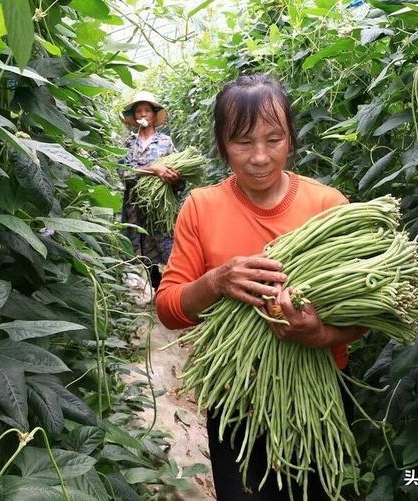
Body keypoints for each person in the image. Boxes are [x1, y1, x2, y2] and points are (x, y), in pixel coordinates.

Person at [155, 74, 366, 500]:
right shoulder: (201, 206)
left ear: (291, 138)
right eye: (242, 142)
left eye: (274, 139)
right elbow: (169, 309)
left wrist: (319, 334)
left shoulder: (328, 207)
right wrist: (216, 281)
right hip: (237, 401)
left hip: (320, 398)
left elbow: (365, 314)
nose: (259, 157)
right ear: (220, 143)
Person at [119, 90, 181, 290]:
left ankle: (174, 287)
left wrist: (174, 178)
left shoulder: (165, 142)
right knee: (142, 246)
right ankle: (156, 284)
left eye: (147, 110)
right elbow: (124, 173)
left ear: (154, 116)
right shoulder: (128, 143)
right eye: (138, 111)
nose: (143, 114)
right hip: (135, 207)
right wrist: (154, 169)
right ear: (134, 117)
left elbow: (177, 174)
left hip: (160, 206)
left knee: (167, 244)